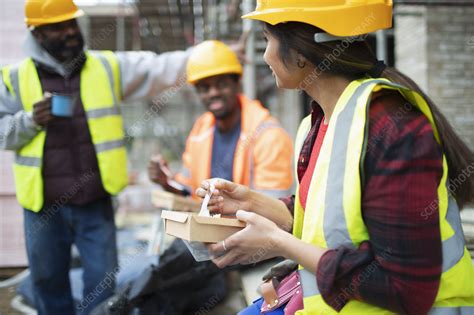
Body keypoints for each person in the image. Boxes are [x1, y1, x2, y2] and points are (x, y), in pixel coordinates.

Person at [196, 1, 474, 314]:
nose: (264, 57)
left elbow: (405, 290)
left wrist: (276, 243)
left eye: (267, 40)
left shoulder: (393, 128)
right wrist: (252, 203)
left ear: (300, 52)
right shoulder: (320, 122)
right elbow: (328, 222)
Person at [0, 0, 212, 313]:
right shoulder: (15, 77)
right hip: (43, 207)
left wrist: (208, 55)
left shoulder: (105, 67)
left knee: (102, 285)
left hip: (95, 204)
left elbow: (156, 67)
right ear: (39, 34)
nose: (71, 32)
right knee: (48, 283)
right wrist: (30, 121)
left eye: (72, 24)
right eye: (59, 27)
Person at [148, 40, 293, 199]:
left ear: (237, 83)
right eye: (205, 88)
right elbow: (189, 190)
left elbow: (273, 206)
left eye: (221, 84)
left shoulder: (267, 136)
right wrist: (166, 182)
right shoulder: (201, 130)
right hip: (207, 223)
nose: (213, 93)